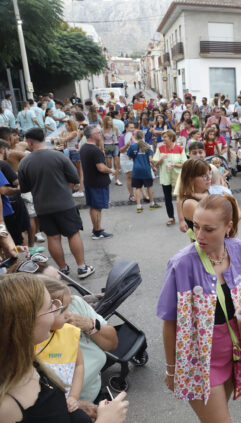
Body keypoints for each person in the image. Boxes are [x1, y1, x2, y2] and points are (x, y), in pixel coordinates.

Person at [157, 195, 241, 422]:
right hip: (198, 361)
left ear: (228, 227)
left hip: (235, 350)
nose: (199, 235)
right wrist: (172, 369)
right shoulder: (181, 264)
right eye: (195, 226)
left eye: (209, 229)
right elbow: (169, 322)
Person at [0, 274, 129, 423]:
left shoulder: (29, 363)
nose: (58, 311)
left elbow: (50, 408)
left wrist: (75, 407)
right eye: (50, 307)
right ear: (25, 323)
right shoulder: (6, 408)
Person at [18, 128, 94, 278]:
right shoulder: (59, 156)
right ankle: (82, 267)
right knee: (73, 234)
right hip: (64, 203)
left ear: (30, 142)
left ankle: (63, 269)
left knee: (53, 237)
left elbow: (24, 188)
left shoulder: (24, 162)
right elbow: (74, 178)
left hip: (42, 206)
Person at [35, 277, 89, 421]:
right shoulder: (30, 343)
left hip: (66, 403)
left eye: (67, 307)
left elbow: (79, 365)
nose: (68, 314)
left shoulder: (70, 333)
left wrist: (74, 396)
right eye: (61, 309)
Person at [80, 125, 115, 240]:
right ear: (92, 135)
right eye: (98, 132)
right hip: (98, 183)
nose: (101, 133)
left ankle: (96, 229)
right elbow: (100, 167)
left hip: (90, 181)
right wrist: (111, 170)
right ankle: (97, 231)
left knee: (94, 207)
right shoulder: (95, 150)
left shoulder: (84, 147)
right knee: (97, 207)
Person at [153, 130, 187, 226]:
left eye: (165, 137)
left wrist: (174, 165)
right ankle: (171, 217)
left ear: (171, 138)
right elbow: (156, 164)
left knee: (180, 198)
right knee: (167, 198)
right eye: (162, 137)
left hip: (177, 176)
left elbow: (185, 164)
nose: (162, 138)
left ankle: (185, 217)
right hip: (165, 176)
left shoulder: (179, 148)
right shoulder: (160, 148)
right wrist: (161, 159)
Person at [127, 131, 161, 213]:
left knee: (138, 188)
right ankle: (152, 204)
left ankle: (139, 206)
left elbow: (129, 157)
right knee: (149, 187)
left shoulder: (132, 146)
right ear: (143, 136)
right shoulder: (147, 146)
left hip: (136, 170)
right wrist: (154, 166)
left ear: (135, 137)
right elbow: (150, 160)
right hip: (146, 169)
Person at [177, 158, 212, 234]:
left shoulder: (209, 192)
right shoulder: (190, 203)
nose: (209, 178)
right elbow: (217, 223)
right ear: (191, 179)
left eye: (210, 173)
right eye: (204, 176)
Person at [118, 121, 138, 202]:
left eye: (133, 127)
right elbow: (121, 150)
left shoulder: (135, 136)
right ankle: (131, 194)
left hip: (134, 158)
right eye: (131, 127)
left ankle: (140, 194)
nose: (133, 129)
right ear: (126, 128)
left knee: (137, 176)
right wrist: (126, 145)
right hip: (125, 158)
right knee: (129, 176)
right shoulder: (122, 137)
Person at [102, 116, 122, 186]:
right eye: (109, 120)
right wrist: (102, 149)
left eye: (111, 120)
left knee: (116, 164)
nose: (110, 122)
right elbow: (102, 140)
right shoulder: (103, 130)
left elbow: (117, 137)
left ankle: (117, 179)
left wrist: (119, 146)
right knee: (109, 164)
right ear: (106, 122)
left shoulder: (115, 128)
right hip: (107, 146)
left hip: (115, 145)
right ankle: (110, 174)